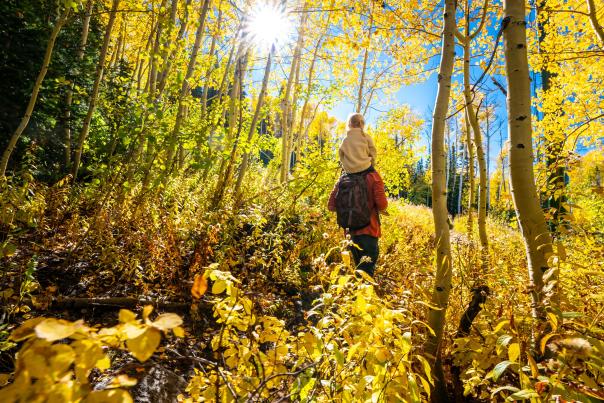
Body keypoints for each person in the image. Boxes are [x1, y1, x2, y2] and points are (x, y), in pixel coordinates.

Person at [328, 113, 387, 276]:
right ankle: (364, 300)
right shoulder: (373, 177)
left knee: (357, 270)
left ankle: (355, 298)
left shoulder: (343, 179)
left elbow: (331, 206)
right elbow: (382, 205)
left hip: (350, 232)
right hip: (369, 231)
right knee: (367, 275)